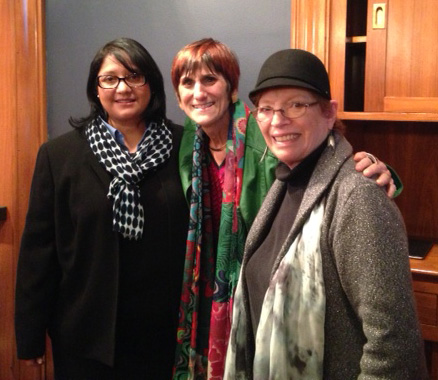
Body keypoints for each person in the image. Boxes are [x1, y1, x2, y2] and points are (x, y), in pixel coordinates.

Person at [170, 38, 401, 379]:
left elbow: (324, 171)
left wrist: (380, 174)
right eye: (187, 83)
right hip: (208, 295)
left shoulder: (263, 139)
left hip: (266, 298)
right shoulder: (188, 141)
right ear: (177, 96)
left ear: (232, 89)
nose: (198, 92)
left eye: (209, 80)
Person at [224, 49, 428, 379]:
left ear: (329, 113)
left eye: (295, 105)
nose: (278, 120)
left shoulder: (356, 195)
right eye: (266, 109)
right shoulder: (283, 183)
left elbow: (394, 348)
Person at [15, 38, 189, 379]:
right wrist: (30, 336)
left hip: (164, 334)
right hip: (85, 337)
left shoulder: (184, 146)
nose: (122, 87)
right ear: (95, 89)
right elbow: (38, 254)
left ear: (150, 84)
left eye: (134, 76)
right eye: (110, 78)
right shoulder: (59, 156)